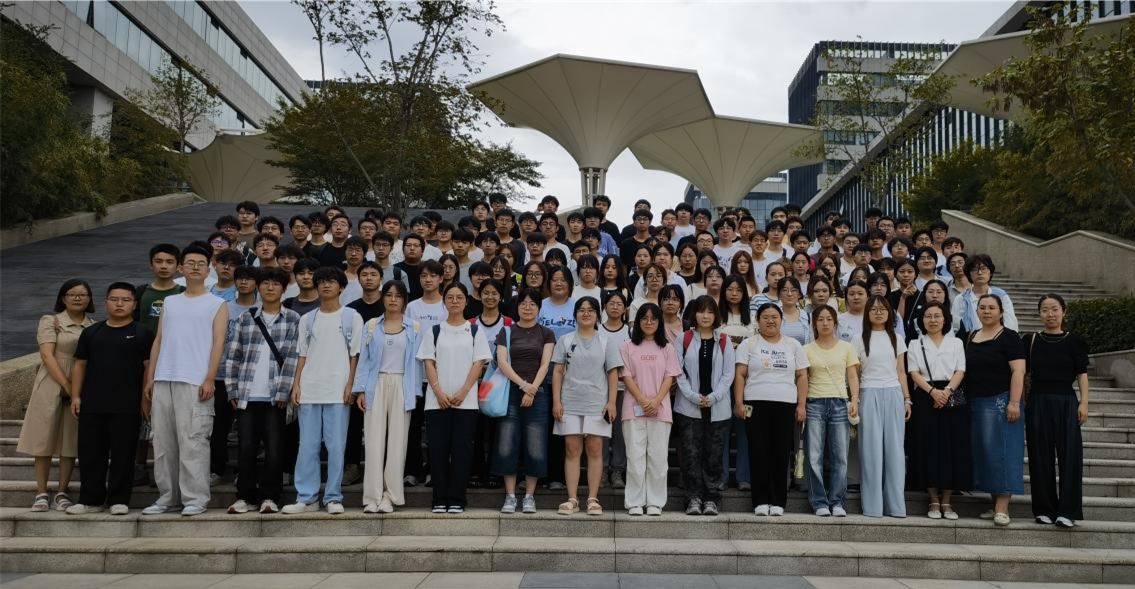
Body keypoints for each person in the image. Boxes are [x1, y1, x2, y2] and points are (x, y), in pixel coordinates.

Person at [142, 243, 229, 517]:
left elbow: (218, 343)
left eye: (201, 263)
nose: (195, 267)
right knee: (163, 443)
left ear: (208, 268)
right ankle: (168, 497)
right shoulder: (170, 302)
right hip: (164, 377)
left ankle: (195, 498)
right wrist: (151, 377)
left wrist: (210, 378)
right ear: (181, 267)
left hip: (195, 380)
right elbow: (159, 340)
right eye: (190, 263)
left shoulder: (217, 304)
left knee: (193, 441)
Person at [64, 283, 153, 515]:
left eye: (125, 300)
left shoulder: (142, 333)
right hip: (93, 403)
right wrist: (76, 396)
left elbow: (148, 367)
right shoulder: (92, 332)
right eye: (114, 299)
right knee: (91, 453)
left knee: (124, 454)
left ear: (134, 304)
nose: (119, 304)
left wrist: (145, 400)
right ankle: (90, 500)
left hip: (127, 404)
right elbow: (80, 364)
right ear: (106, 302)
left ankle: (119, 499)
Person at [283, 267, 363, 515]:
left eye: (331, 281)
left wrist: (351, 385)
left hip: (338, 390)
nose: (326, 285)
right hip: (310, 389)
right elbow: (302, 354)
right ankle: (307, 498)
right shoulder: (307, 319)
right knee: (307, 446)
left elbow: (355, 355)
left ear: (341, 287)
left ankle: (333, 496)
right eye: (322, 282)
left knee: (336, 446)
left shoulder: (351, 317)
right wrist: (297, 385)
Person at [221, 268, 299, 515]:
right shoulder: (246, 318)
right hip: (247, 393)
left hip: (276, 396)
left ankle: (270, 496)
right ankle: (245, 496)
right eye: (265, 283)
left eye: (275, 283)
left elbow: (293, 358)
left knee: (275, 450)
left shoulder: (293, 319)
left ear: (283, 289)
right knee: (246, 448)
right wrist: (232, 390)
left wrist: (284, 392)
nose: (270, 288)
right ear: (258, 287)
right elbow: (233, 356)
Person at [18, 279, 94, 512]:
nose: (77, 298)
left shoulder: (94, 326)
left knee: (70, 440)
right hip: (51, 382)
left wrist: (76, 389)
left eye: (82, 294)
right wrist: (67, 385)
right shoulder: (50, 321)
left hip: (81, 383)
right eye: (72, 294)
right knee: (44, 438)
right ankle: (41, 492)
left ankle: (62, 491)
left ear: (90, 299)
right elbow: (47, 355)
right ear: (63, 298)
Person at [417, 283, 491, 514]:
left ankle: (458, 498)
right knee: (438, 450)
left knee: (462, 451)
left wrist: (463, 392)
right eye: (450, 297)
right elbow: (429, 362)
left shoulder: (475, 331)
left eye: (459, 297)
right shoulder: (434, 331)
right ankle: (439, 498)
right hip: (436, 402)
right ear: (444, 301)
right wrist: (438, 392)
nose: (455, 301)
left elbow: (478, 363)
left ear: (466, 302)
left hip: (466, 403)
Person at [352, 281, 420, 513]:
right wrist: (360, 390)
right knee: (373, 442)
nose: (393, 299)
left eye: (398, 296)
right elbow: (364, 359)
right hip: (376, 383)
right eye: (389, 295)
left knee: (397, 443)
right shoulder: (371, 325)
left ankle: (390, 496)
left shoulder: (414, 327)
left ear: (404, 300)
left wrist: (414, 393)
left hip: (402, 384)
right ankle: (372, 496)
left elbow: (417, 363)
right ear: (382, 298)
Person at [735, 303, 809, 517]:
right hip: (755, 402)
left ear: (781, 320)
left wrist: (801, 405)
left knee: (780, 452)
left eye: (774, 317)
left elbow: (802, 376)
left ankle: (778, 501)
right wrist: (739, 403)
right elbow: (740, 374)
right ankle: (760, 500)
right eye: (765, 317)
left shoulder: (793, 345)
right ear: (758, 321)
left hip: (785, 403)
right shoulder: (749, 344)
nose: (770, 321)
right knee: (758, 451)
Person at [551, 297, 622, 516]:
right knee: (572, 449)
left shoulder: (606, 341)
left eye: (591, 310)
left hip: (597, 403)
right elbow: (558, 371)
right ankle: (572, 498)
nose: (586, 313)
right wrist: (556, 401)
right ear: (575, 314)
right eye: (581, 310)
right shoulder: (564, 340)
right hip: (570, 401)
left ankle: (593, 498)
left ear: (598, 314)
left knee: (595, 449)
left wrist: (611, 402)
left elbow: (612, 373)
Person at [1025, 294, 1090, 528]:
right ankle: (1044, 509)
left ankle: (1067, 511)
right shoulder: (1030, 340)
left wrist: (1084, 403)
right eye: (1045, 310)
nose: (1050, 314)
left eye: (1054, 309)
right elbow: (1022, 373)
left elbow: (1082, 374)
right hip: (1037, 402)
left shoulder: (1075, 341)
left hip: (1066, 402)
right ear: (1039, 313)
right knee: (1039, 456)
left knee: (1070, 456)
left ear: (1064, 311)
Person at [964, 294, 1026, 526]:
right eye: (982, 307)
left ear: (1001, 312)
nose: (986, 311)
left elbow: (1018, 371)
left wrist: (1014, 402)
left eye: (991, 307)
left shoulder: (1010, 337)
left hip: (1002, 402)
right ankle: (993, 502)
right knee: (985, 453)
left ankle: (1002, 507)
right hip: (976, 403)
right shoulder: (972, 336)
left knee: (1004, 453)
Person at [493, 288, 556, 514]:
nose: (527, 307)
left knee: (535, 444)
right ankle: (510, 496)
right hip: (510, 392)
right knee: (506, 442)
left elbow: (545, 364)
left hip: (538, 394)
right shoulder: (506, 331)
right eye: (523, 303)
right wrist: (523, 386)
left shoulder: (547, 333)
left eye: (532, 304)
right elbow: (502, 362)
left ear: (539, 308)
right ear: (517, 306)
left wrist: (532, 390)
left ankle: (529, 495)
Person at [907, 301, 969, 520]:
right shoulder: (915, 343)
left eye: (937, 316)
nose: (932, 320)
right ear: (921, 320)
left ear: (945, 319)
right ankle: (933, 498)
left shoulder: (956, 343)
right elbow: (914, 372)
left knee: (952, 447)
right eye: (928, 316)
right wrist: (933, 392)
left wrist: (947, 391)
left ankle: (948, 500)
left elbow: (960, 369)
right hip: (925, 396)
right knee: (929, 447)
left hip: (952, 395)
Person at [675, 296, 735, 516]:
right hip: (688, 407)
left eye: (710, 311)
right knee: (690, 454)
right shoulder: (683, 338)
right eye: (701, 311)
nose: (706, 316)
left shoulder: (725, 340)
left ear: (716, 315)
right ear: (694, 314)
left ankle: (711, 498)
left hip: (718, 407)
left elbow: (729, 374)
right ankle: (693, 498)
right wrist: (692, 396)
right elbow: (678, 371)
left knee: (714, 455)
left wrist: (714, 396)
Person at [619, 304, 681, 516]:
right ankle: (634, 502)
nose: (648, 322)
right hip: (633, 409)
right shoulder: (627, 346)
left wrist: (656, 401)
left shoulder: (667, 348)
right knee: (635, 458)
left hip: (660, 410)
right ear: (637, 322)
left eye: (653, 319)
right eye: (644, 318)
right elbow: (626, 376)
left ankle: (655, 502)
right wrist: (643, 400)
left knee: (658, 459)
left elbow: (669, 377)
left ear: (659, 322)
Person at [854, 296, 911, 518]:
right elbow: (855, 374)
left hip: (894, 393)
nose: (879, 312)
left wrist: (907, 399)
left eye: (883, 309)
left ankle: (895, 506)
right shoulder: (859, 339)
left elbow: (901, 372)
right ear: (867, 313)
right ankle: (873, 507)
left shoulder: (897, 338)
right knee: (871, 451)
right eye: (874, 309)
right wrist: (855, 400)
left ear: (889, 313)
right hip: (868, 393)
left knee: (895, 451)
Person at [803, 305, 860, 517]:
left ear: (835, 323)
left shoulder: (846, 347)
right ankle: (818, 502)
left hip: (839, 403)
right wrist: (801, 404)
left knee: (840, 457)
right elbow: (803, 379)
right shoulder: (806, 349)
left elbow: (852, 376)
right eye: (820, 319)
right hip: (814, 403)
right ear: (814, 324)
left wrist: (854, 400)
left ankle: (837, 502)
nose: (825, 323)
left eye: (829, 319)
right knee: (814, 456)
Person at [601, 291, 632, 490]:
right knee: (602, 431)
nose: (614, 306)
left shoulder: (630, 332)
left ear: (624, 308)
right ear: (604, 307)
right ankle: (602, 469)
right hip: (600, 389)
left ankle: (618, 470)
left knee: (620, 432)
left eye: (619, 303)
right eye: (611, 303)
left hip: (624, 389)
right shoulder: (596, 330)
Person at [952, 254, 1018, 335]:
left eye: (984, 269)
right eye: (975, 269)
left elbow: (1011, 324)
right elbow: (955, 327)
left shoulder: (1001, 296)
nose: (980, 273)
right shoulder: (961, 299)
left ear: (990, 272)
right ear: (969, 274)